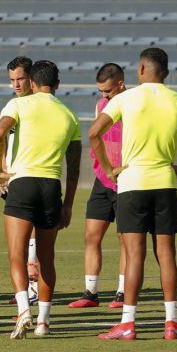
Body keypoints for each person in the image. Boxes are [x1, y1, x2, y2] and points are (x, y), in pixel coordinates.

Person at [88, 48, 177, 341]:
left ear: (140, 70)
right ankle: (172, 322)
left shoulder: (125, 98)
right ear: (166, 72)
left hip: (133, 183)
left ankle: (128, 322)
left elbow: (94, 133)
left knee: (135, 255)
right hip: (165, 184)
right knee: (167, 253)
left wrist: (109, 168)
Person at [0, 60, 81, 338]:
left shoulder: (18, 105)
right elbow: (75, 166)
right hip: (52, 187)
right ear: (57, 84)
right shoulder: (69, 115)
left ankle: (23, 310)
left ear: (31, 82)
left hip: (22, 183)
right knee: (47, 257)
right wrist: (68, 204)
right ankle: (43, 321)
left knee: (16, 254)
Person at [71, 62, 127, 309]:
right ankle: (90, 292)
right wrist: (104, 167)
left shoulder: (133, 104)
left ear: (121, 84)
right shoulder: (101, 105)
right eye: (101, 91)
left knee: (126, 239)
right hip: (103, 179)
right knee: (91, 235)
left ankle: (123, 292)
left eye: (108, 91)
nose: (104, 96)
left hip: (126, 179)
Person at [4, 55, 42, 305]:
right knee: (21, 239)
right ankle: (28, 287)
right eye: (12, 80)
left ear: (31, 79)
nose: (16, 84)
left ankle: (35, 286)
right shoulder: (13, 106)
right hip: (14, 178)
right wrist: (2, 170)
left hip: (35, 177)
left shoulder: (39, 106)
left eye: (20, 79)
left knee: (35, 236)